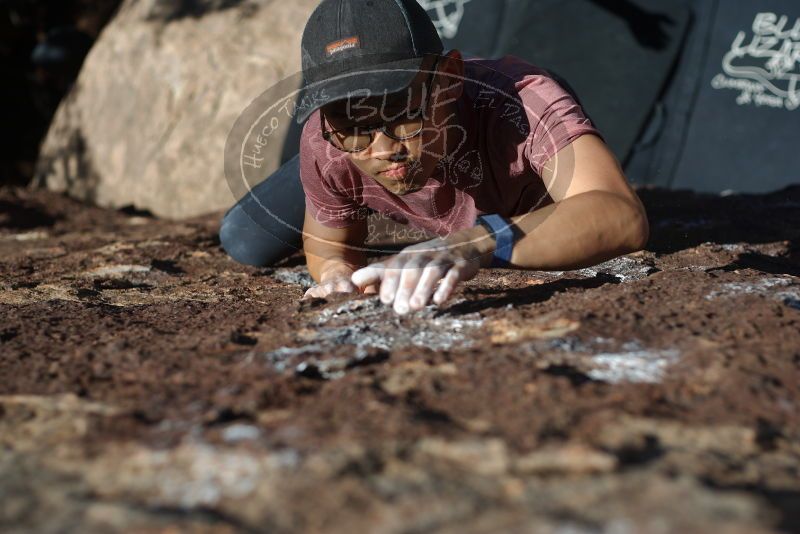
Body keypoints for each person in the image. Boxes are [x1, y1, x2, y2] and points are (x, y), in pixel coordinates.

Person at [219, 0, 649, 315]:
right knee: (243, 238)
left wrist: (474, 242)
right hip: (334, 160)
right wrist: (336, 278)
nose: (384, 148)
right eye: (354, 125)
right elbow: (334, 249)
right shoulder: (327, 137)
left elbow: (620, 216)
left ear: (449, 79)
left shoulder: (524, 102)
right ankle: (330, 177)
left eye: (403, 112)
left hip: (499, 146)